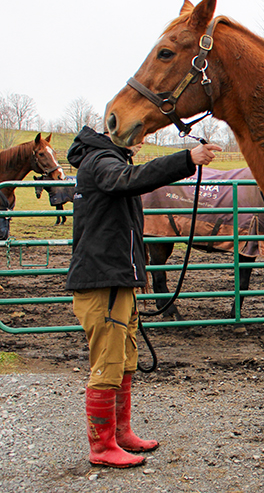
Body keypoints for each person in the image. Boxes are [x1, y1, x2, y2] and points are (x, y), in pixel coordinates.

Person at [66, 126, 222, 468]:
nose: (142, 140)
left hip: (117, 279)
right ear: (114, 132)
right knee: (108, 363)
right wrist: (186, 159)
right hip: (103, 281)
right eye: (138, 132)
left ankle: (120, 434)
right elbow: (130, 179)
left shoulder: (103, 159)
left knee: (124, 359)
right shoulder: (101, 161)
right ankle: (102, 446)